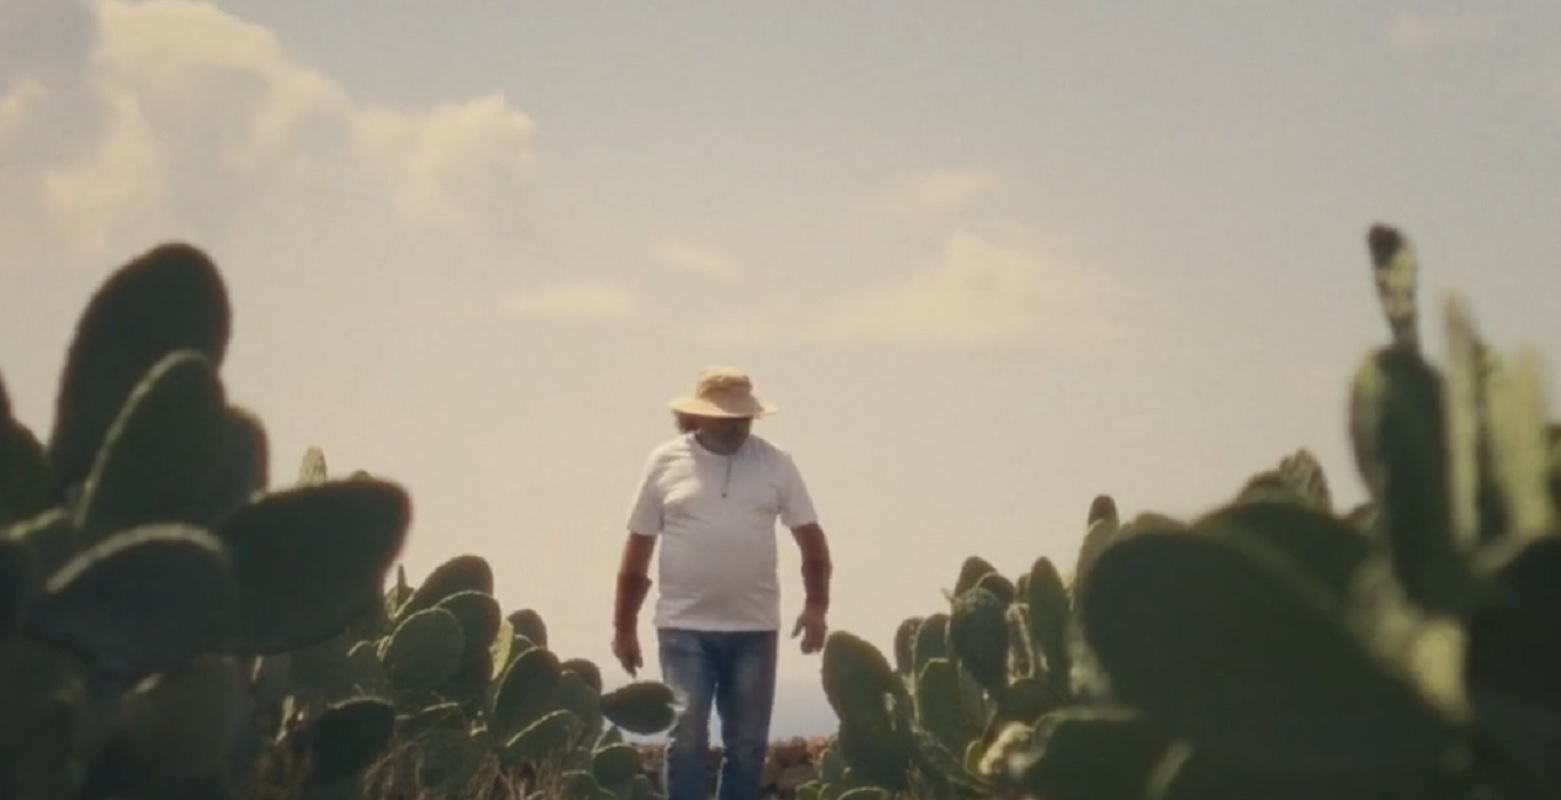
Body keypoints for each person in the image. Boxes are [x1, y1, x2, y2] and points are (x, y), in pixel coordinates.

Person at [611, 365, 833, 800]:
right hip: (683, 628)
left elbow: (810, 538)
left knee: (747, 747)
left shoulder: (775, 463)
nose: (737, 426)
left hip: (754, 629)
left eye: (744, 417)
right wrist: (623, 627)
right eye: (727, 416)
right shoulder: (665, 462)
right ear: (697, 416)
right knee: (687, 739)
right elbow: (638, 549)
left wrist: (816, 607)